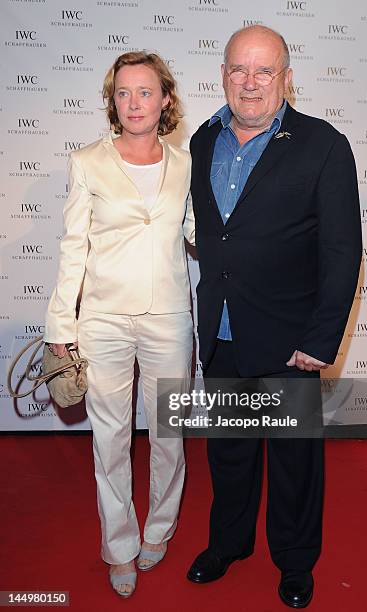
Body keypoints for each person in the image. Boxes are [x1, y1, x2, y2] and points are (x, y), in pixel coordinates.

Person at [186, 25, 362, 608]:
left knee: (293, 466)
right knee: (228, 453)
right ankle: (229, 544)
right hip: (224, 332)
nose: (251, 82)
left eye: (264, 71)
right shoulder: (202, 142)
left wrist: (320, 336)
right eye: (240, 69)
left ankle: (294, 562)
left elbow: (342, 251)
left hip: (290, 339)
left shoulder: (323, 144)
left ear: (287, 76)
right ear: (223, 75)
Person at [44, 51, 195, 598]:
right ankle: (119, 545)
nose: (135, 103)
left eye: (146, 92)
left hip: (170, 319)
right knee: (109, 438)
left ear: (165, 100)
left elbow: (204, 232)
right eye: (124, 93)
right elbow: (72, 249)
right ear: (113, 101)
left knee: (169, 435)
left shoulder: (186, 163)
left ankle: (159, 527)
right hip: (102, 320)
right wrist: (60, 326)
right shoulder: (87, 161)